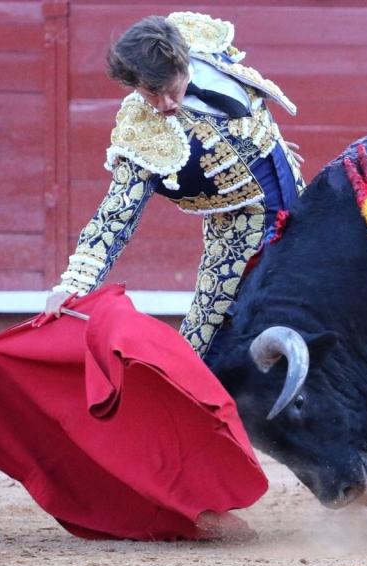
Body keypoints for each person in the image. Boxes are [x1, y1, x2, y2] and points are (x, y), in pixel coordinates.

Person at [44, 12, 304, 359]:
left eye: (170, 89)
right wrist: (72, 286)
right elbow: (115, 215)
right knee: (206, 349)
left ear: (184, 59)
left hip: (299, 202)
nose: (165, 105)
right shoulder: (142, 132)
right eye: (151, 94)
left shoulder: (202, 43)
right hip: (240, 239)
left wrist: (270, 147)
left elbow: (251, 106)